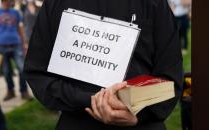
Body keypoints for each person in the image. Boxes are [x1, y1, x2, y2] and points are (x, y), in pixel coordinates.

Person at [24, 0, 183, 130]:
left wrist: (133, 106)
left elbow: (170, 79)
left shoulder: (154, 4)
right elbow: (38, 73)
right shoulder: (56, 3)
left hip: (140, 123)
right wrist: (91, 100)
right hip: (77, 122)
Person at [0, 0, 32, 101]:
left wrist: (24, 44)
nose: (11, 2)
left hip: (16, 44)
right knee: (6, 71)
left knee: (22, 69)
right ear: (3, 1)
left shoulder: (16, 12)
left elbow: (19, 28)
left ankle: (24, 91)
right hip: (1, 46)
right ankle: (10, 91)